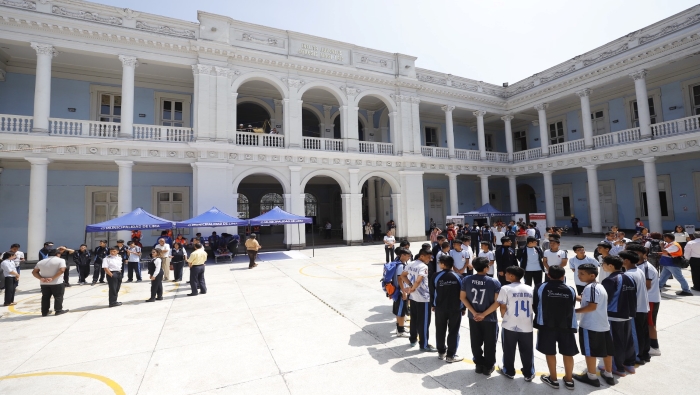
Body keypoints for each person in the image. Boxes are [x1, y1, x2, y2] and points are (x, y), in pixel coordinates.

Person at [533, 265, 578, 390]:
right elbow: (572, 305)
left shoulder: (540, 287)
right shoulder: (570, 289)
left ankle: (553, 379)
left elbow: (536, 305)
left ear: (548, 275)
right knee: (568, 353)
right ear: (563, 276)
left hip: (547, 325)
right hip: (566, 325)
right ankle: (569, 380)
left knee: (550, 352)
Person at [573, 263, 615, 387]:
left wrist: (573, 311)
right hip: (603, 324)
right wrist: (574, 297)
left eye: (582, 274)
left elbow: (592, 306)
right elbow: (588, 300)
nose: (579, 276)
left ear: (592, 275)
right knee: (607, 351)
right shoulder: (598, 287)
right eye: (578, 273)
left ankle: (591, 377)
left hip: (590, 325)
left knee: (589, 351)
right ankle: (609, 374)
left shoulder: (591, 288)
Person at [460, 257, 501, 376]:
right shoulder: (493, 282)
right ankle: (488, 366)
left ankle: (478, 364)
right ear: (486, 268)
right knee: (490, 342)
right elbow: (497, 302)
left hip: (473, 317)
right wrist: (483, 314)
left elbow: (462, 297)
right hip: (489, 318)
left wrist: (474, 312)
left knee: (475, 340)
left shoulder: (467, 279)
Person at [601, 255, 637, 376]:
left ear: (610, 266)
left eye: (603, 264)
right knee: (627, 339)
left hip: (614, 315)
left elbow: (604, 299)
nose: (602, 266)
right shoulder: (629, 277)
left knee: (615, 342)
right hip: (627, 314)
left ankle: (617, 367)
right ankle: (629, 364)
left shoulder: (610, 280)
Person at [497, 266, 534, 381]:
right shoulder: (530, 288)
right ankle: (528, 373)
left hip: (510, 324)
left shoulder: (505, 288)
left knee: (508, 349)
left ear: (512, 276)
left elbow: (502, 306)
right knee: (527, 350)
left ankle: (509, 371)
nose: (505, 275)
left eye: (507, 274)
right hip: (527, 325)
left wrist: (503, 316)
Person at [627, 243, 662, 357]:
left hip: (650, 300)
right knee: (644, 324)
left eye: (637, 253)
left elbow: (647, 286)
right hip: (643, 300)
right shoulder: (636, 266)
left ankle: (655, 347)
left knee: (650, 324)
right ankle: (647, 345)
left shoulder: (647, 268)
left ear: (644, 254)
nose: (634, 255)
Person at [399, 249, 435, 352]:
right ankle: (424, 344)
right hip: (423, 299)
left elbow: (403, 275)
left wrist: (410, 286)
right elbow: (419, 280)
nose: (430, 259)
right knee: (424, 322)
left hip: (413, 297)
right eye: (428, 257)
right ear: (422, 256)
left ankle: (413, 339)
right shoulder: (423, 266)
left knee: (414, 320)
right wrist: (413, 287)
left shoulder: (410, 264)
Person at [432, 255, 465, 363]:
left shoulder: (436, 276)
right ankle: (451, 355)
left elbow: (432, 292)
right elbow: (464, 294)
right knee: (454, 331)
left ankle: (441, 352)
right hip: (455, 309)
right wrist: (463, 307)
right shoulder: (459, 277)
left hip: (440, 308)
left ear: (443, 264)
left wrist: (433, 305)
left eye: (439, 263)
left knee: (440, 330)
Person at [620, 250, 650, 365]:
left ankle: (638, 356)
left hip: (635, 309)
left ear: (626, 261)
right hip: (643, 307)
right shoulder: (638, 270)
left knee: (635, 333)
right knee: (643, 332)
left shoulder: (628, 275)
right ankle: (645, 354)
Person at [32, 249, 68, 316]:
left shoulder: (41, 262)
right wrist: (52, 278)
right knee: (58, 296)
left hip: (44, 283)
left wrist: (41, 278)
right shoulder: (61, 260)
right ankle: (58, 310)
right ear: (58, 254)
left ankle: (44, 312)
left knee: (45, 297)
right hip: (57, 282)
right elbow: (62, 270)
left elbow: (34, 272)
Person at [392, 248, 412, 337]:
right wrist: (404, 291)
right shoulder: (401, 266)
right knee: (401, 311)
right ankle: (400, 330)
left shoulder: (399, 263)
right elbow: (400, 279)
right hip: (401, 292)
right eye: (407, 256)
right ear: (402, 255)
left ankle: (399, 328)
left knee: (399, 311)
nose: (408, 258)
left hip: (398, 291)